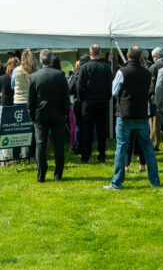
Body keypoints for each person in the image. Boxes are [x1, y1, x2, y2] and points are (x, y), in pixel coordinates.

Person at [105, 46, 160, 189]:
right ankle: (155, 181)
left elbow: (114, 91)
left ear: (128, 55)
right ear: (141, 56)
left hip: (125, 114)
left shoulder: (122, 71)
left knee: (121, 148)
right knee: (148, 148)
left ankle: (117, 182)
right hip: (141, 113)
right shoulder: (147, 72)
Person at [28, 49, 71, 182]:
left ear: (41, 61)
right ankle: (58, 174)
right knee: (58, 144)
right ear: (52, 60)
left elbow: (30, 100)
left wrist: (32, 115)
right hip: (57, 113)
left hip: (40, 114)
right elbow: (66, 97)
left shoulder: (34, 76)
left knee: (40, 145)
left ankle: (41, 175)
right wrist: (65, 113)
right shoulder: (60, 75)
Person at [75, 44, 113, 164]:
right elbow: (109, 87)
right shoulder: (106, 68)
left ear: (90, 53)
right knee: (102, 131)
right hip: (102, 102)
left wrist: (83, 99)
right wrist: (106, 98)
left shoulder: (84, 68)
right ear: (100, 53)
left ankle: (85, 156)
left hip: (88, 103)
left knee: (87, 130)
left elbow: (79, 87)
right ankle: (102, 155)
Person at [148, 47, 163, 151]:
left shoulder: (154, 67)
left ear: (155, 56)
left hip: (155, 98)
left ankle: (154, 144)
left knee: (154, 123)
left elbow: (150, 85)